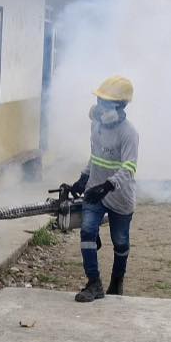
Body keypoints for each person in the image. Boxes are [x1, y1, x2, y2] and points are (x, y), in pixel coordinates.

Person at [64, 76, 139, 302]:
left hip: (120, 197)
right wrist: (83, 178)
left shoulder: (129, 133)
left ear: (121, 106)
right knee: (87, 232)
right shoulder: (95, 126)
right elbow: (95, 156)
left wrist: (107, 186)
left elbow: (129, 167)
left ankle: (117, 280)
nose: (99, 107)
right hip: (94, 192)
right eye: (99, 101)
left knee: (120, 241)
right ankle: (94, 284)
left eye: (106, 103)